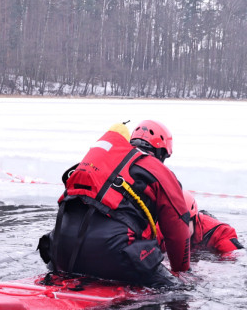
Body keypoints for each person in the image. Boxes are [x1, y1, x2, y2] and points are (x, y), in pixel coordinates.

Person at [39, 120, 191, 287]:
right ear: (161, 152)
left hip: (61, 251)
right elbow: (178, 226)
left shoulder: (106, 161)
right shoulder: (158, 170)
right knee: (180, 290)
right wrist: (181, 271)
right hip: (114, 256)